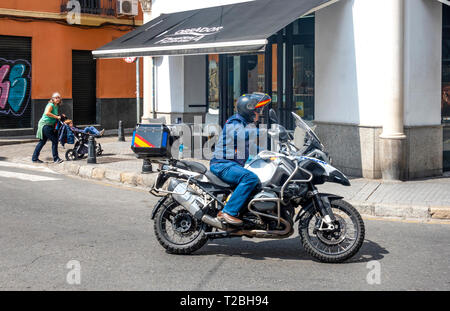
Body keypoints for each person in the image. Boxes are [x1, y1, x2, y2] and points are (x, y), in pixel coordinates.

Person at [210, 92, 271, 226]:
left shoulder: (243, 124)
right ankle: (228, 212)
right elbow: (241, 136)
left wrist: (270, 154)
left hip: (231, 165)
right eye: (257, 110)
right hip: (222, 164)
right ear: (248, 110)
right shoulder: (234, 122)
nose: (259, 113)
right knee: (250, 178)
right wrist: (265, 131)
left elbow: (251, 146)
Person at [32, 92, 64, 164]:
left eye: (59, 97)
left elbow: (54, 115)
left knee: (42, 142)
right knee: (55, 141)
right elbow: (47, 113)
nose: (57, 99)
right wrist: (57, 117)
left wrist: (60, 116)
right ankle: (56, 159)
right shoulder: (51, 105)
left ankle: (34, 158)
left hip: (48, 125)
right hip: (45, 125)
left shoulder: (56, 106)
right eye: (56, 98)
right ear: (52, 99)